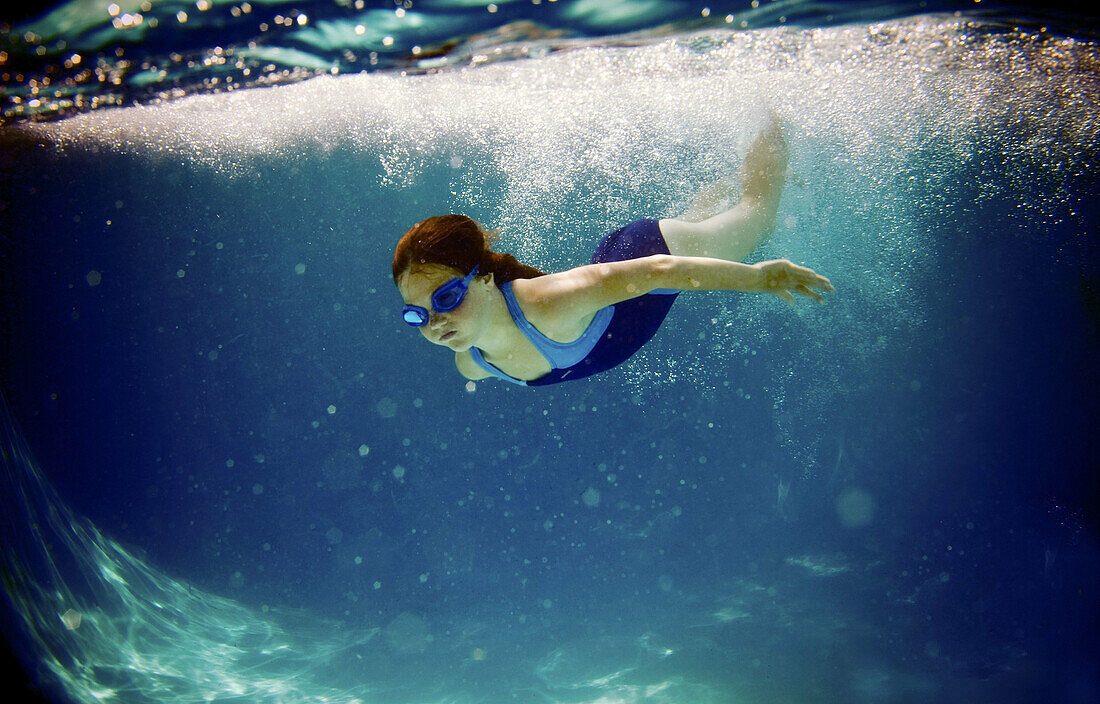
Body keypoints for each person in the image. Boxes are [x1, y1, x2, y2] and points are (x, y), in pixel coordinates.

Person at [393, 120, 833, 387]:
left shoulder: (547, 304)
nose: (436, 323)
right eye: (417, 315)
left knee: (757, 215)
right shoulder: (470, 363)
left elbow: (660, 270)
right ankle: (707, 206)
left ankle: (770, 113)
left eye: (446, 298)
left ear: (484, 274)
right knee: (704, 227)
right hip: (617, 276)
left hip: (651, 254)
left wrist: (757, 278)